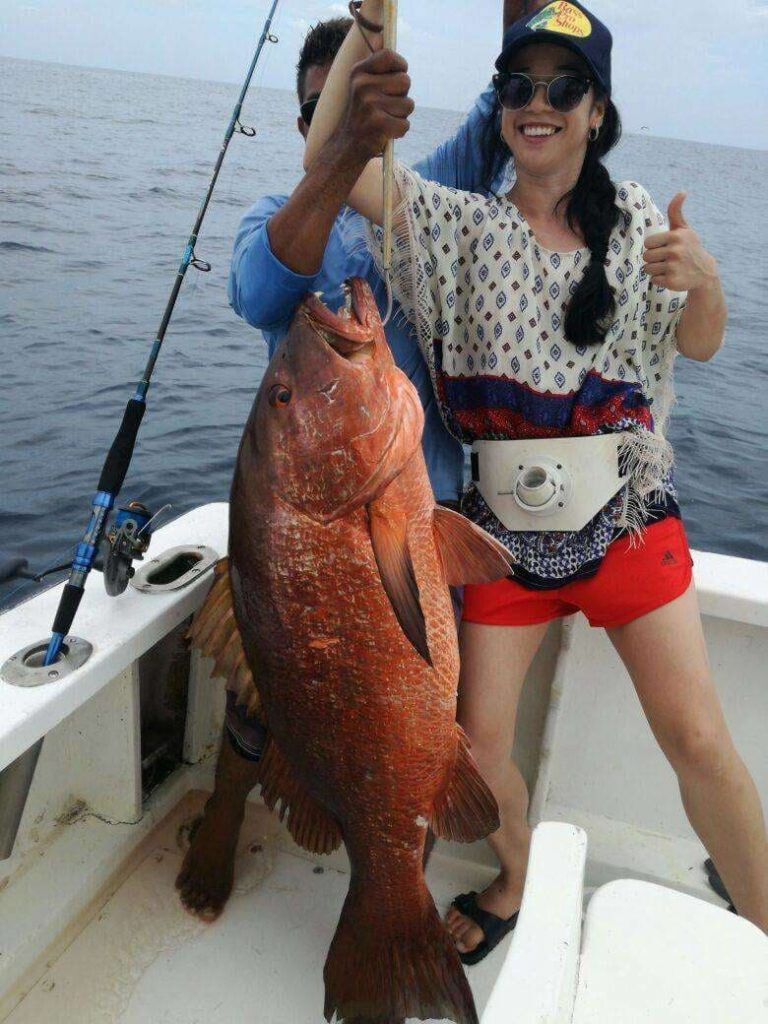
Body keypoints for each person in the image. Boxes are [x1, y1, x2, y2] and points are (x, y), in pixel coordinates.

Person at [304, 0, 768, 959]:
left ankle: (764, 915)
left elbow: (702, 342)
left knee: (696, 740)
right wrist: (365, 22)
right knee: (473, 753)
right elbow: (325, 163)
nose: (538, 103)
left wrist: (708, 282)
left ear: (597, 110)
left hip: (626, 519)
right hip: (500, 536)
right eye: (521, 86)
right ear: (503, 106)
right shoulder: (456, 225)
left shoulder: (638, 220)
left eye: (564, 86)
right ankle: (512, 882)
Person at [175, 1, 542, 921]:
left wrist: (525, 18)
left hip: (421, 517)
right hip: (305, 520)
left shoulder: (422, 199)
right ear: (305, 124)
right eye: (320, 109)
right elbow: (263, 282)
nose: (333, 119)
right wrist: (343, 152)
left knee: (419, 718)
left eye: (346, 104)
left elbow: (508, 110)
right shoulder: (279, 214)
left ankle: (394, 895)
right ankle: (224, 812)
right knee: (270, 690)